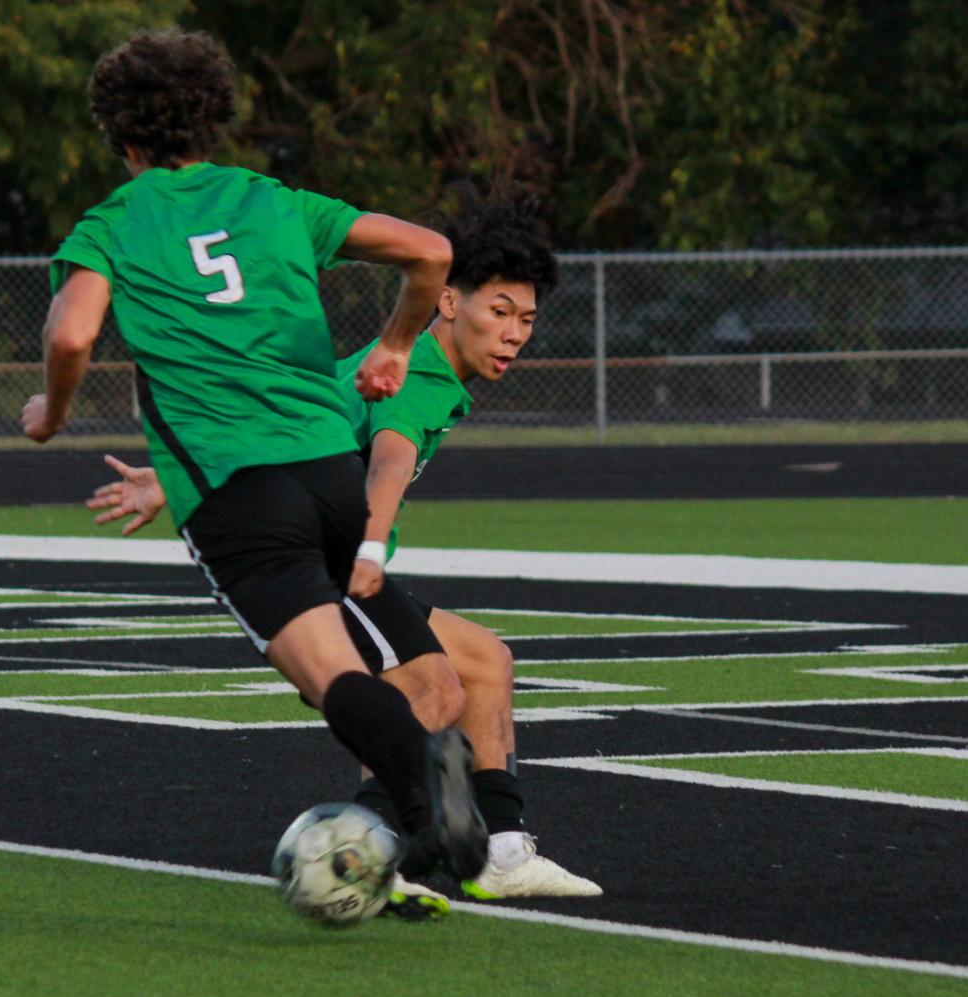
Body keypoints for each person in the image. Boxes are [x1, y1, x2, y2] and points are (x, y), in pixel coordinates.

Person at [22, 26, 487, 883]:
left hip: (238, 494)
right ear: (212, 122)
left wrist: (49, 412)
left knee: (325, 678)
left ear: (120, 136)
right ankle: (422, 809)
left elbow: (75, 330)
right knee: (402, 667)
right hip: (331, 474)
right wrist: (392, 343)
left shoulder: (113, 223)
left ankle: (423, 783)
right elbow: (432, 251)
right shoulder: (274, 200)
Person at [90, 193, 603, 907]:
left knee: (484, 662)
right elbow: (389, 459)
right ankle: (368, 852)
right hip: (325, 561)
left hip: (298, 534)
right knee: (429, 690)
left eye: (525, 319)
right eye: (499, 311)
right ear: (448, 302)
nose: (514, 332)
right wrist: (370, 547)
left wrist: (173, 481)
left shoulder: (397, 362)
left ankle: (503, 852)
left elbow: (293, 423)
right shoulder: (419, 375)